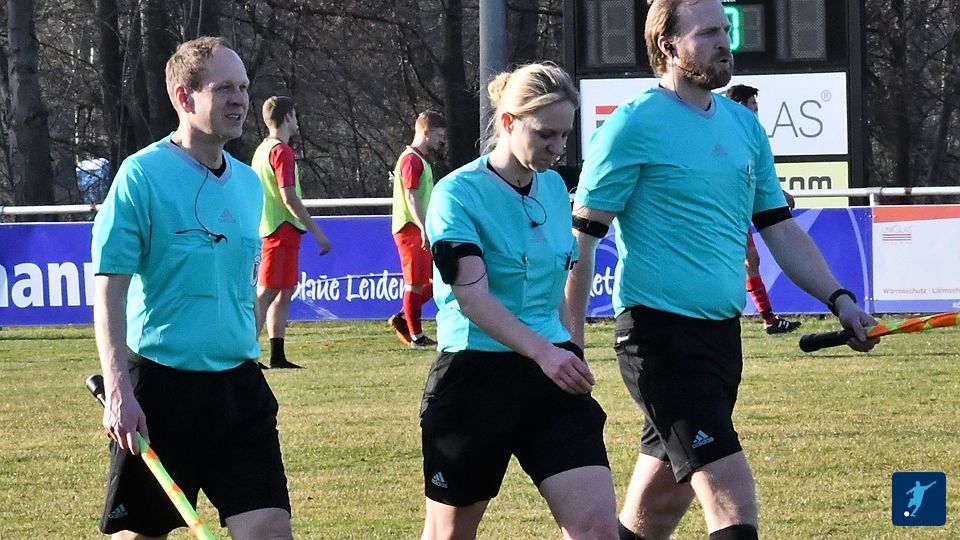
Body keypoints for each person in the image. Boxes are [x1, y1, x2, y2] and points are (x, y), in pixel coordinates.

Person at [564, 2, 879, 539]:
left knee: (657, 509)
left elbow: (780, 229)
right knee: (731, 496)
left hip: (720, 339)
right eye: (708, 32)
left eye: (725, 30)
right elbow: (581, 242)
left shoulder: (743, 126)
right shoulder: (632, 124)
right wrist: (568, 345)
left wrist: (840, 299)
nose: (724, 42)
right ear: (667, 46)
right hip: (658, 339)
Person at [91, 37, 293, 539]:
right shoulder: (140, 176)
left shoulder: (248, 184)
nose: (239, 99)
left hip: (239, 388)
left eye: (243, 87)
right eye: (224, 88)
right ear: (184, 97)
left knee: (269, 527)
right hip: (161, 388)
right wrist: (119, 389)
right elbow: (109, 290)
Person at [419, 63, 617, 540]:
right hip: (475, 374)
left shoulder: (554, 187)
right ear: (508, 123)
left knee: (596, 529)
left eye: (564, 135)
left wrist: (569, 348)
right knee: (449, 534)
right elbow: (472, 298)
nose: (558, 147)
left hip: (551, 373)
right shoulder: (456, 194)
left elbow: (560, 280)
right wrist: (546, 352)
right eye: (546, 134)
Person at [252, 96, 331, 369]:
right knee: (267, 291)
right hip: (279, 229)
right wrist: (317, 232)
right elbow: (288, 196)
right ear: (287, 118)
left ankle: (277, 355)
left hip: (275, 228)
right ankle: (247, 354)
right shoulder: (281, 151)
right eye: (294, 115)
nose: (297, 121)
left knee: (284, 290)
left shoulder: (262, 149)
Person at [725, 84, 800, 335]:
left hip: (737, 211)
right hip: (724, 212)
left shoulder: (749, 133)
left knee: (751, 261)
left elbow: (755, 173)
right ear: (740, 106)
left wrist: (777, 193)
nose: (756, 111)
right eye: (753, 106)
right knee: (741, 262)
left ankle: (768, 319)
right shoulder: (726, 132)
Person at [387, 111, 448, 348]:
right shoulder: (411, 160)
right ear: (425, 132)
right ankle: (416, 336)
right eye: (439, 135)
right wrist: (423, 227)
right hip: (410, 229)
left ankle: (404, 317)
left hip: (420, 227)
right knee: (414, 283)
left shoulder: (421, 160)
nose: (442, 140)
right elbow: (411, 196)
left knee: (439, 277)